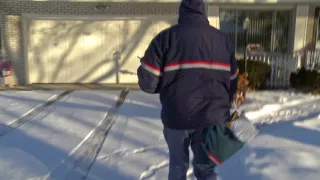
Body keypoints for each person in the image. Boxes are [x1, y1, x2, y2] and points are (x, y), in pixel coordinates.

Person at [137, 0, 238, 179]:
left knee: (177, 167)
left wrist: (166, 89)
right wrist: (223, 108)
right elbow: (232, 81)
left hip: (177, 115)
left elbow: (148, 82)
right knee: (206, 170)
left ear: (181, 12)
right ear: (203, 12)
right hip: (212, 118)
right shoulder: (223, 40)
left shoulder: (165, 39)